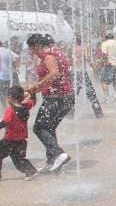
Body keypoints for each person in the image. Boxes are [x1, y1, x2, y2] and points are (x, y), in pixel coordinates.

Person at [25, 34, 74, 173]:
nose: (31, 52)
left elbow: (54, 73)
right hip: (64, 97)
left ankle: (59, 154)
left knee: (39, 127)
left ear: (36, 46)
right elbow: (54, 79)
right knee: (49, 127)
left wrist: (36, 86)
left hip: (56, 98)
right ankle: (52, 161)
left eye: (31, 48)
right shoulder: (56, 52)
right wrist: (36, 89)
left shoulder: (48, 56)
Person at [0, 86, 39, 180]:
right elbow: (33, 102)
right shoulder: (26, 106)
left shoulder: (11, 110)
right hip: (21, 141)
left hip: (9, 140)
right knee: (19, 159)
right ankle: (31, 171)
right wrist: (32, 93)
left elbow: (6, 121)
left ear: (10, 98)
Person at [71, 36, 104, 118]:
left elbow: (69, 61)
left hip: (74, 73)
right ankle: (98, 114)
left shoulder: (72, 49)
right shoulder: (83, 48)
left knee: (72, 93)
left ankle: (70, 114)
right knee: (91, 93)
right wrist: (94, 68)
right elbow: (88, 59)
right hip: (82, 73)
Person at [99, 31, 116, 100]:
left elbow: (104, 55)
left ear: (106, 37)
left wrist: (104, 62)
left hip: (110, 65)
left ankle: (106, 97)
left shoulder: (105, 44)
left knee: (103, 81)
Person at [0, 40, 19, 107]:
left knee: (2, 94)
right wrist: (17, 68)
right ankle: (8, 108)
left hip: (1, 77)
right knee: (6, 93)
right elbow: (17, 57)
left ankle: (5, 108)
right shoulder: (7, 50)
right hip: (7, 76)